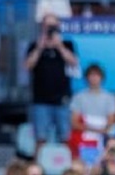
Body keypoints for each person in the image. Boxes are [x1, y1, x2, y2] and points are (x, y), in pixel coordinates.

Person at [23, 18, 78, 146]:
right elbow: (27, 66)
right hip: (41, 100)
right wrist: (39, 47)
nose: (50, 29)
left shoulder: (67, 44)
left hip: (62, 99)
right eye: (48, 26)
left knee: (64, 138)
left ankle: (66, 164)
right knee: (40, 139)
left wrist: (59, 46)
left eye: (53, 26)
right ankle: (38, 165)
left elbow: (73, 62)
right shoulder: (34, 45)